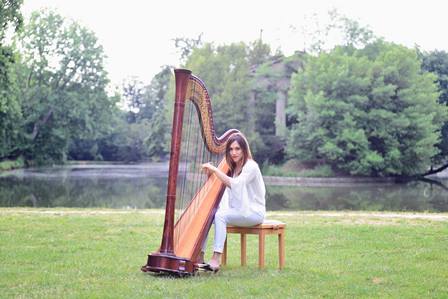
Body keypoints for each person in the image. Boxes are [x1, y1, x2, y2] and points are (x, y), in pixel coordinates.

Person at [200, 133, 266, 272]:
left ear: (244, 150)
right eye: (230, 149)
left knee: (220, 216)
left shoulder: (251, 167)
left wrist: (215, 170)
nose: (234, 152)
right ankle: (199, 255)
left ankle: (216, 259)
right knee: (208, 215)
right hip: (240, 211)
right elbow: (225, 187)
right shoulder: (234, 168)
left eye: (237, 149)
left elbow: (236, 185)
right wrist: (211, 174)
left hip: (253, 213)